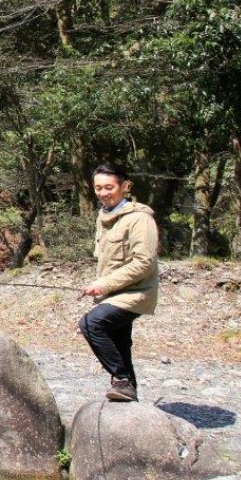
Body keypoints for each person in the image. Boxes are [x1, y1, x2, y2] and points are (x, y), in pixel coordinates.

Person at [79, 163, 159, 403]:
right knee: (119, 343)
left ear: (125, 186)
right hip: (112, 293)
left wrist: (104, 284)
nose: (104, 192)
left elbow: (144, 263)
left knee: (91, 324)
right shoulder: (103, 217)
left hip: (137, 292)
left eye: (109, 187)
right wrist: (101, 285)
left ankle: (121, 379)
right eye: (98, 188)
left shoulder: (140, 219)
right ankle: (129, 394)